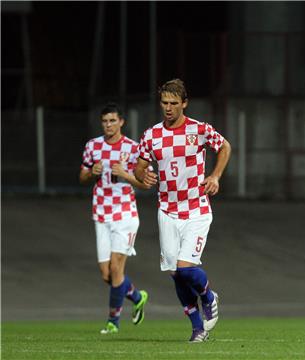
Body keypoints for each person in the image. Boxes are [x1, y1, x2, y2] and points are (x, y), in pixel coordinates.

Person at [134, 79, 231, 343]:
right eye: (164, 103)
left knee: (186, 268)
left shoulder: (199, 130)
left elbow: (224, 146)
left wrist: (215, 176)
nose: (168, 108)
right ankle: (197, 328)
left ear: (184, 104)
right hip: (167, 211)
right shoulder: (151, 135)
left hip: (196, 209)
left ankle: (209, 296)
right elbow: (139, 167)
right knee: (176, 274)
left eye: (173, 103)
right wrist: (144, 175)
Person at [79, 102, 152, 334]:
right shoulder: (93, 146)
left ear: (121, 122)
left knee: (117, 268)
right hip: (101, 214)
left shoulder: (133, 148)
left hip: (125, 214)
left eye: (113, 120)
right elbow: (82, 176)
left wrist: (125, 174)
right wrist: (92, 172)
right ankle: (138, 297)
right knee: (106, 274)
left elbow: (145, 182)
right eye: (105, 121)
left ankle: (113, 322)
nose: (108, 125)